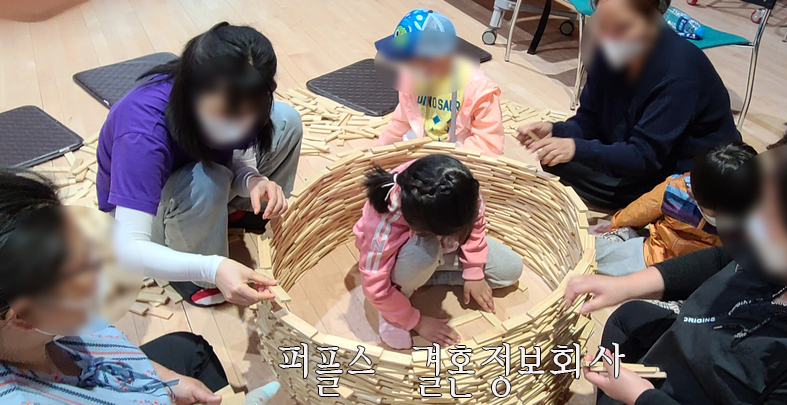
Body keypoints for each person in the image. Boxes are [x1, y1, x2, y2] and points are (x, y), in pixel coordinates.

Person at [565, 117, 787, 405]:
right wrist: (623, 286)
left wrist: (642, 397)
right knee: (628, 319)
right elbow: (723, 259)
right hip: (673, 361)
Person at [95, 23, 303, 306]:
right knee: (208, 179)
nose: (242, 127)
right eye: (226, 113)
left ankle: (236, 212)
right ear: (192, 90)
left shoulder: (240, 97)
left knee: (287, 120)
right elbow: (129, 248)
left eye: (250, 113)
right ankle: (191, 276)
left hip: (197, 181)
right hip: (148, 213)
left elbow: (237, 153)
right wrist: (210, 268)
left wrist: (253, 180)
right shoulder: (142, 131)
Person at [0, 169, 228, 405]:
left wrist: (166, 378)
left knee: (189, 348)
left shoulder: (35, 334)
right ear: (24, 318)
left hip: (120, 375)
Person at [516, 0, 740, 209]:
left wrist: (577, 149)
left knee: (573, 157)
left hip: (687, 177)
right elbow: (590, 119)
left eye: (620, 27)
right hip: (639, 155)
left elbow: (646, 156)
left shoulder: (680, 71)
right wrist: (557, 131)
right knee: (556, 159)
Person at [353, 155, 523, 349]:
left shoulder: (462, 187)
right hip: (406, 257)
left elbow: (476, 224)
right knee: (424, 253)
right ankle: (395, 304)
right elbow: (375, 287)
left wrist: (474, 271)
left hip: (440, 241)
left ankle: (421, 279)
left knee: (510, 270)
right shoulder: (384, 222)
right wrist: (416, 321)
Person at [594, 141, 757, 276]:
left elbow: (638, 211)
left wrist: (615, 224)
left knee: (597, 255)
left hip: (653, 259)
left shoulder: (676, 189)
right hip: (700, 277)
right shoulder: (754, 218)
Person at [373, 9, 505, 156]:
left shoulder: (479, 91)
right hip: (421, 151)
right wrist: (377, 152)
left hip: (459, 159)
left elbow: (489, 146)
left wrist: (448, 161)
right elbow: (401, 123)